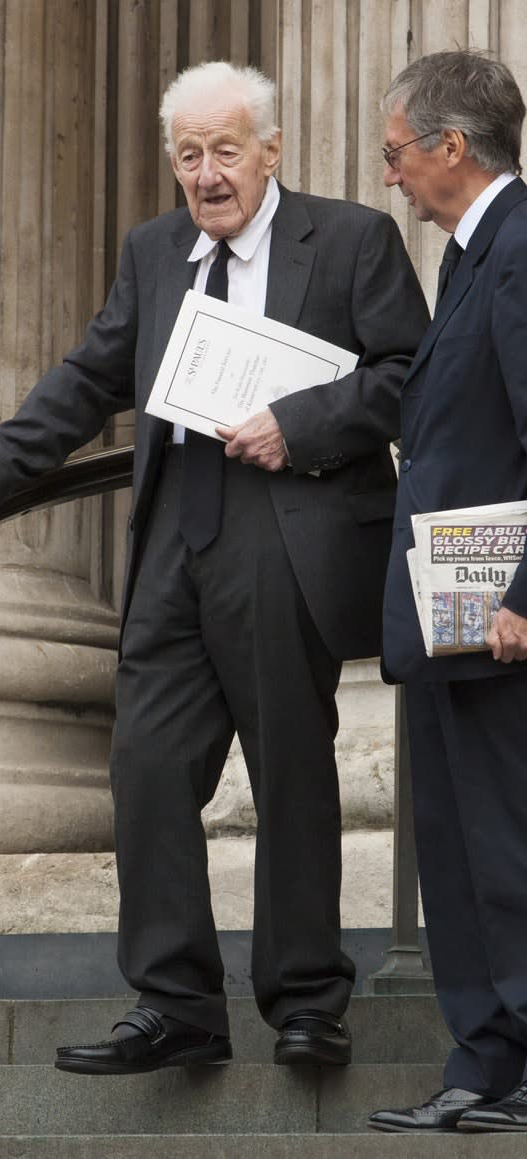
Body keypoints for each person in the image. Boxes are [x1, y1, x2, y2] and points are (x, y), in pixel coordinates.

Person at [0, 61, 428, 1075]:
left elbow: (411, 376)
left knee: (289, 772)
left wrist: (297, 422)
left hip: (287, 544)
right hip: (173, 554)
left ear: (271, 151)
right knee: (144, 765)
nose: (205, 174)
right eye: (187, 155)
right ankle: (176, 1001)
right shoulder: (154, 251)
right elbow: (89, 375)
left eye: (225, 151)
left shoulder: (352, 240)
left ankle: (306, 1002)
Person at [370, 50, 527, 1134]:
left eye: (395, 155)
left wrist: (524, 593)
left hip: (503, 617)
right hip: (447, 614)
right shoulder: (470, 262)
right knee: (457, 843)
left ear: (449, 150)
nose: (390, 179)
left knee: (509, 843)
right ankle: (483, 1063)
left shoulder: (519, 255)